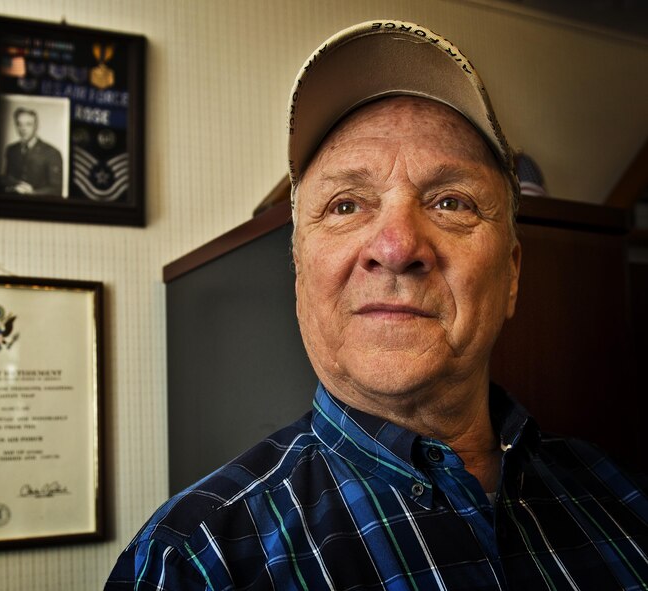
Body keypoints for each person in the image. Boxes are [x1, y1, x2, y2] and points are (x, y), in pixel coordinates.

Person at [107, 20, 648, 589]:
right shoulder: (191, 561)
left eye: (450, 202)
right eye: (345, 206)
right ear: (299, 274)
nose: (396, 248)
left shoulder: (625, 498)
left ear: (511, 274)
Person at [0, 107, 63, 195]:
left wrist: (32, 193)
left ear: (36, 126)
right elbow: (5, 178)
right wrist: (16, 185)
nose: (23, 128)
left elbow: (56, 189)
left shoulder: (52, 153)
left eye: (28, 124)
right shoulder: (11, 150)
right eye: (19, 124)